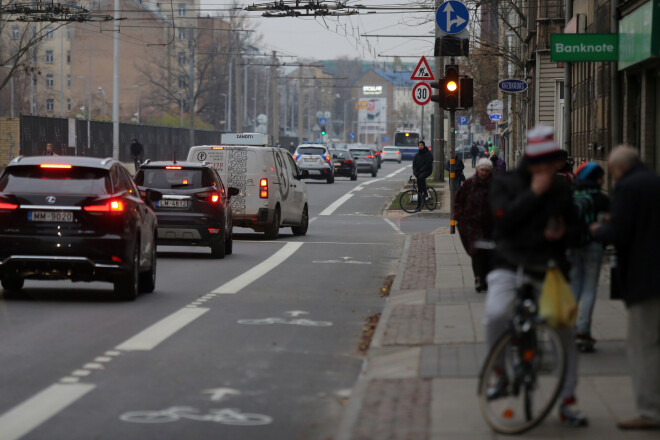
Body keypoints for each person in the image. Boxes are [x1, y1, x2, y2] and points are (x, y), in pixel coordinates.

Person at [485, 125, 587, 426]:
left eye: (549, 163)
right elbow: (502, 222)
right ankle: (500, 373)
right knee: (495, 314)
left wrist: (565, 232)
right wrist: (533, 193)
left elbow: (578, 230)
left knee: (565, 331)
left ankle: (567, 400)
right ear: (529, 161)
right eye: (539, 163)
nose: (545, 169)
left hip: (548, 269)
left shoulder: (561, 190)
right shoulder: (506, 183)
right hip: (509, 263)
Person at [590, 146, 660, 430]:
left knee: (643, 346)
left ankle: (650, 411)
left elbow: (619, 231)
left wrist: (599, 230)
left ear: (618, 168)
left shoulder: (627, 188)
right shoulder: (654, 181)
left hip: (646, 278)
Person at [569, 161, 609, 353]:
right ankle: (583, 330)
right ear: (596, 178)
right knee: (590, 288)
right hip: (593, 245)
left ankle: (570, 327)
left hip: (573, 246)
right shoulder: (601, 198)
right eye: (601, 176)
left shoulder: (571, 194)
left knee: (574, 286)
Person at [455, 158, 494, 292]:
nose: (484, 173)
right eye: (482, 170)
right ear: (477, 169)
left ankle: (486, 279)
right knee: (477, 253)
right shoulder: (469, 184)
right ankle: (478, 278)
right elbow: (459, 203)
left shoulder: (495, 185)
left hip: (490, 227)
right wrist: (460, 218)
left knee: (489, 254)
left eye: (487, 171)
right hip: (472, 226)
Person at [412, 140, 433, 207]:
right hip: (419, 172)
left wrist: (420, 170)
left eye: (421, 145)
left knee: (421, 177)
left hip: (427, 171)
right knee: (419, 189)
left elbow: (428, 164)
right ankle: (419, 206)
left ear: (424, 146)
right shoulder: (417, 155)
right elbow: (414, 164)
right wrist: (415, 172)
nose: (420, 146)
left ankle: (426, 193)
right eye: (419, 145)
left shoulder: (428, 154)